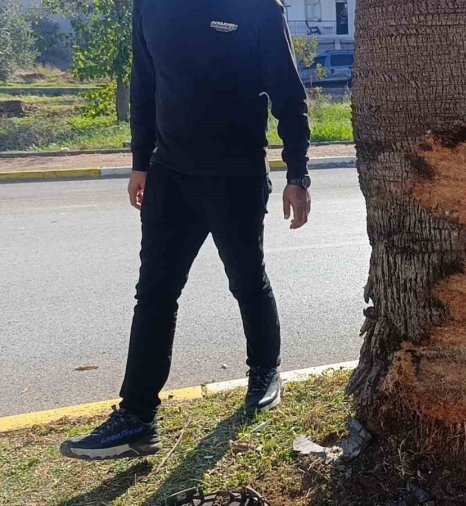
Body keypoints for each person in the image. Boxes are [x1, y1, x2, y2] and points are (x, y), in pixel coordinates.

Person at [60, 0, 312, 461]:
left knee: (246, 280)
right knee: (154, 293)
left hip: (235, 175)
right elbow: (145, 83)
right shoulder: (150, 5)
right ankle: (137, 418)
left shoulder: (258, 7)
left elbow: (288, 93)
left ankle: (264, 371)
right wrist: (140, 163)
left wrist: (297, 174)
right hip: (169, 175)